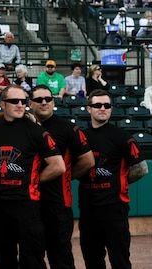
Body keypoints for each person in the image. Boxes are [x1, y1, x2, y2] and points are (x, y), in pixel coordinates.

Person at [0, 85, 66, 269]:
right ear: (2, 104)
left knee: (32, 261)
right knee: (3, 261)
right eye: (14, 101)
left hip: (26, 206)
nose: (20, 105)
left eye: (22, 101)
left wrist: (34, 180)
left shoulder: (36, 131)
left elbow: (58, 166)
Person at [78, 89, 148, 268]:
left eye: (107, 105)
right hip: (88, 208)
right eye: (97, 105)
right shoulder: (80, 137)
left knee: (120, 260)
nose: (102, 108)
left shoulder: (122, 137)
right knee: (92, 260)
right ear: (88, 109)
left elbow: (141, 169)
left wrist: (119, 181)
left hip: (114, 208)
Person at [29, 84, 95, 269]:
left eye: (48, 99)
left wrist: (65, 176)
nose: (44, 103)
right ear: (30, 103)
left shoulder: (67, 128)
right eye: (39, 100)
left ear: (54, 101)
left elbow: (88, 161)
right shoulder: (25, 127)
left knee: (60, 258)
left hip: (58, 204)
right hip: (29, 204)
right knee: (32, 257)